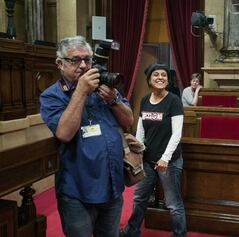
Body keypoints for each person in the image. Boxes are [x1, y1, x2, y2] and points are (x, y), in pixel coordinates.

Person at [40, 36, 134, 237]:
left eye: (88, 60)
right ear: (60, 63)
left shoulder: (103, 86)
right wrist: (81, 91)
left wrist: (113, 101)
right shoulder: (51, 96)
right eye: (75, 60)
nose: (83, 66)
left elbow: (128, 121)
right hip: (78, 191)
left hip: (112, 185)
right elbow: (64, 134)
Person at [120, 63, 186, 237]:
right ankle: (131, 230)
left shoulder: (174, 100)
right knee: (139, 198)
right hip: (148, 161)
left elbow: (177, 134)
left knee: (173, 204)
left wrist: (165, 158)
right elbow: (141, 130)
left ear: (168, 79)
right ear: (149, 79)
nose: (160, 78)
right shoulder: (144, 100)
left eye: (163, 75)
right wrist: (138, 153)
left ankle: (179, 234)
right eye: (156, 75)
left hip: (169, 162)